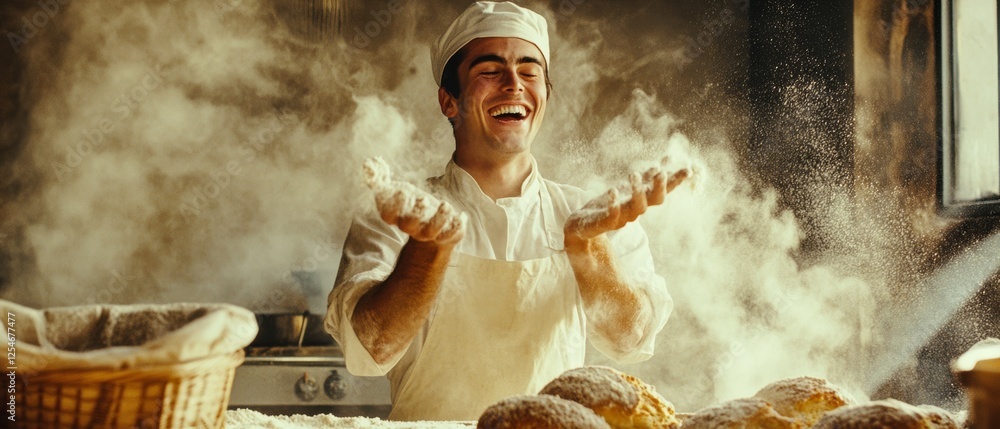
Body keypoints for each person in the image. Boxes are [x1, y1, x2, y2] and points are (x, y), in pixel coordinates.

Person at [325, 1, 688, 421]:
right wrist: (427, 250)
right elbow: (370, 349)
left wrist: (586, 248)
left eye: (530, 70)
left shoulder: (592, 216)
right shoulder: (399, 213)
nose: (514, 83)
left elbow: (630, 338)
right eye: (489, 70)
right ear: (449, 101)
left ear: (544, 97)